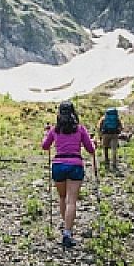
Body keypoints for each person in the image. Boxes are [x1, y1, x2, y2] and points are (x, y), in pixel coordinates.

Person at [41, 101, 96, 248]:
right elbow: (91, 149)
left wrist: (46, 133)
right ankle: (67, 232)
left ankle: (65, 225)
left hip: (58, 165)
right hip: (75, 165)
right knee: (72, 201)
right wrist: (94, 142)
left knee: (62, 197)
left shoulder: (54, 130)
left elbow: (45, 146)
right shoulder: (80, 129)